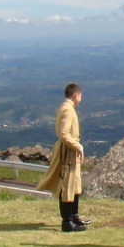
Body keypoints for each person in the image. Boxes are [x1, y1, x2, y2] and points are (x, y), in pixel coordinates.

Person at [37, 83, 90, 232]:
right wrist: (78, 146)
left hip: (70, 151)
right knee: (67, 185)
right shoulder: (68, 109)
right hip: (67, 153)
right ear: (75, 95)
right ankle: (67, 222)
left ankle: (74, 216)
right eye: (80, 95)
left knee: (75, 184)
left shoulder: (65, 107)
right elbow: (64, 133)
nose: (81, 99)